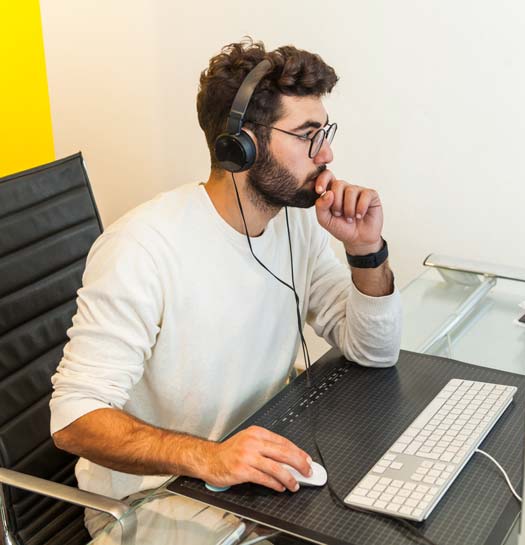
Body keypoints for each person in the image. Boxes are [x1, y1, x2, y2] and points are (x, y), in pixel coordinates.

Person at [50, 39, 402, 543]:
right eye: (307, 135)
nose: (327, 154)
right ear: (242, 145)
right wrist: (211, 456)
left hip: (256, 467)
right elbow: (73, 419)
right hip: (155, 501)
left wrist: (367, 251)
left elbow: (374, 351)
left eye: (324, 132)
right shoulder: (142, 248)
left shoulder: (295, 225)